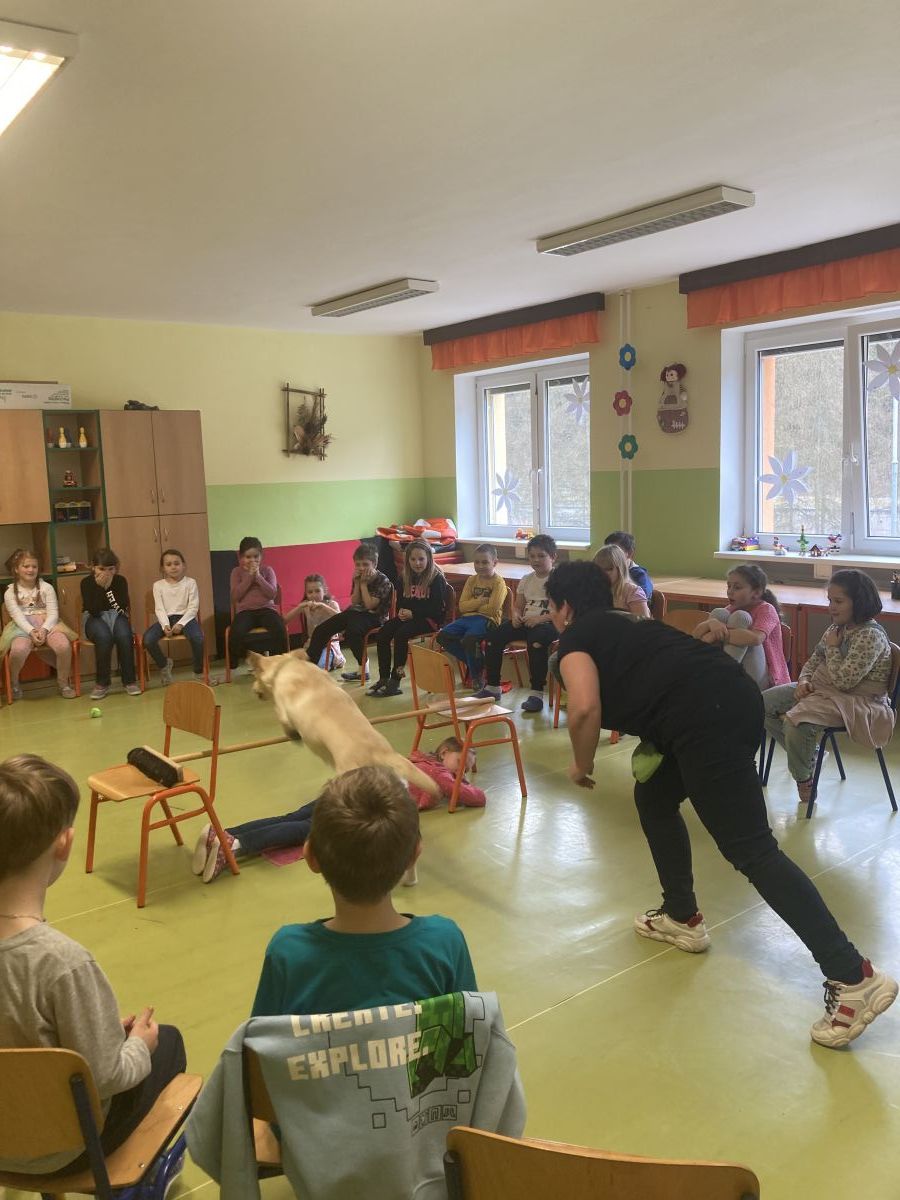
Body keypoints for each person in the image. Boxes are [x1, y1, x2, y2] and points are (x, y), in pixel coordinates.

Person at [548, 559, 897, 1048]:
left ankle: (853, 976)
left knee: (751, 850)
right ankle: (681, 915)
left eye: (550, 607)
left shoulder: (576, 639)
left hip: (704, 722)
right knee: (654, 796)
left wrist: (580, 764)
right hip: (731, 700)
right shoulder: (630, 623)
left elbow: (584, 707)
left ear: (564, 608)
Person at [0, 755, 187, 1175]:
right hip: (61, 1148)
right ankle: (136, 1184)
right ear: (64, 843)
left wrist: (97, 1033)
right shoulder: (64, 964)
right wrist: (139, 1044)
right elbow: (107, 1076)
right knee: (168, 1043)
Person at [250, 765, 477, 1016]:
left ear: (310, 856)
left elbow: (262, 1038)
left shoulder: (289, 953)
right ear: (414, 856)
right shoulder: (444, 942)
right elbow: (472, 1031)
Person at [763, 569, 895, 806]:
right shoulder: (837, 628)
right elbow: (814, 659)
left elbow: (844, 682)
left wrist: (833, 648)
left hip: (857, 701)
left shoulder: (870, 636)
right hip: (825, 690)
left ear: (859, 602)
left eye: (838, 601)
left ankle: (804, 778)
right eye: (830, 600)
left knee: (797, 724)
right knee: (762, 704)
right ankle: (811, 754)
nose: (831, 607)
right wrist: (804, 681)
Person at [476, 534, 558, 713]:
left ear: (553, 557)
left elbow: (562, 612)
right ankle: (493, 687)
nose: (536, 560)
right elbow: (518, 606)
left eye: (541, 556)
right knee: (493, 638)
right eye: (532, 556)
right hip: (526, 622)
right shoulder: (527, 579)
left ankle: (536, 693)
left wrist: (539, 619)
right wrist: (515, 616)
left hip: (550, 624)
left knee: (536, 643)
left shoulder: (559, 579)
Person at [368, 539, 450, 697]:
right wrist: (401, 611)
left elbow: (437, 609)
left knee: (401, 634)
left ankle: (395, 681)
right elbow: (401, 601)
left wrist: (414, 613)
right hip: (410, 617)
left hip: (429, 620)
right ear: (408, 560)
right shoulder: (404, 577)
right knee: (384, 633)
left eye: (421, 559)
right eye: (413, 559)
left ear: (428, 558)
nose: (417, 563)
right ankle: (384, 677)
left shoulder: (436, 579)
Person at [304, 543, 393, 682]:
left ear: (375, 564)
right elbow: (355, 602)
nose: (361, 568)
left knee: (352, 631)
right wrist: (357, 583)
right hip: (356, 613)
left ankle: (363, 669)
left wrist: (363, 584)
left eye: (365, 564)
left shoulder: (383, 581)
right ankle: (309, 667)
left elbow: (369, 605)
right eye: (358, 564)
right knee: (321, 630)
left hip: (375, 616)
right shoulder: (357, 577)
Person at [693, 564, 790, 690]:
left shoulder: (767, 609)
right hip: (739, 673)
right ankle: (721, 678)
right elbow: (695, 636)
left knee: (741, 617)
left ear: (756, 592)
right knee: (719, 613)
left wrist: (714, 634)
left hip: (766, 680)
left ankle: (721, 677)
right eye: (729, 586)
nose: (730, 591)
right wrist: (711, 624)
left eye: (737, 587)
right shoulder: (730, 609)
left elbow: (756, 638)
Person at [1, 549, 77, 700]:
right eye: (26, 566)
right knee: (18, 650)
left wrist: (43, 629)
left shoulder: (46, 588)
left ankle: (63, 683)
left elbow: (53, 613)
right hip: (22, 627)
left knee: (63, 645)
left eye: (34, 566)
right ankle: (14, 683)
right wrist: (31, 631)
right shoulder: (10, 592)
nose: (30, 570)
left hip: (48, 624)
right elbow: (17, 617)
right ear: (16, 569)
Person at [436, 544, 507, 690]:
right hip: (467, 619)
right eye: (477, 562)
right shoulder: (471, 580)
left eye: (485, 562)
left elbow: (492, 610)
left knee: (470, 639)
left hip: (488, 620)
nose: (480, 566)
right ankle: (478, 663)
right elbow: (462, 607)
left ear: (494, 563)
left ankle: (476, 676)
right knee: (443, 636)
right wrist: (481, 601)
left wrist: (472, 605)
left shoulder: (498, 582)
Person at [80, 547, 140, 699]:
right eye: (101, 569)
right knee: (104, 637)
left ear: (116, 568)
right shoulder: (86, 583)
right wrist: (101, 588)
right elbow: (93, 610)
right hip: (94, 617)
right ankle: (102, 683)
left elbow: (121, 607)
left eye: (111, 569)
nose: (106, 573)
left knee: (124, 635)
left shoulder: (120, 581)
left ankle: (129, 681)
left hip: (117, 614)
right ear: (93, 567)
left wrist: (109, 589)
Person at [142, 548, 206, 684]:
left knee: (197, 638)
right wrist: (165, 625)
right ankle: (164, 665)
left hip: (186, 619)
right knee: (148, 639)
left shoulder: (190, 583)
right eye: (169, 564)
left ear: (183, 565)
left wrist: (181, 624)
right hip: (166, 619)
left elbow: (193, 607)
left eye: (177, 563)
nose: (173, 567)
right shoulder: (158, 585)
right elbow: (159, 608)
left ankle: (198, 672)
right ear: (162, 568)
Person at [228, 537, 287, 671]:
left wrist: (258, 577)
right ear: (241, 557)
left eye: (256, 556)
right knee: (236, 632)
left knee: (279, 628)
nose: (252, 560)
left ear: (261, 556)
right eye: (248, 557)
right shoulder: (236, 572)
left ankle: (280, 662)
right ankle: (235, 663)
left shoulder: (268, 570)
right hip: (245, 611)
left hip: (266, 609)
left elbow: (272, 594)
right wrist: (249, 577)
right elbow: (235, 596)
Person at [283, 573, 345, 671]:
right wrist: (299, 607)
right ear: (306, 594)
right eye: (310, 592)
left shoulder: (332, 604)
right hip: (311, 645)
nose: (314, 595)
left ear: (324, 591)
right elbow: (285, 620)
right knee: (295, 667)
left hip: (329, 646)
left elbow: (343, 619)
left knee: (320, 667)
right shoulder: (306, 606)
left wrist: (323, 606)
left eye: (317, 591)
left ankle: (336, 661)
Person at [407, 736, 486, 811]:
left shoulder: (424, 762)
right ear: (444, 753)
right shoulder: (438, 773)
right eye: (460, 762)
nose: (461, 773)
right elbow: (479, 799)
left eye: (465, 771)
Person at [592, 544, 650, 618]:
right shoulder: (594, 589)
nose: (603, 573)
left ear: (620, 569)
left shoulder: (632, 592)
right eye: (599, 569)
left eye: (608, 569)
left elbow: (644, 622)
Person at [604, 530, 653, 599]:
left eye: (616, 552)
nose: (610, 556)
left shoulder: (639, 575)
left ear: (630, 553)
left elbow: (642, 597)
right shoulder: (603, 572)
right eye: (607, 551)